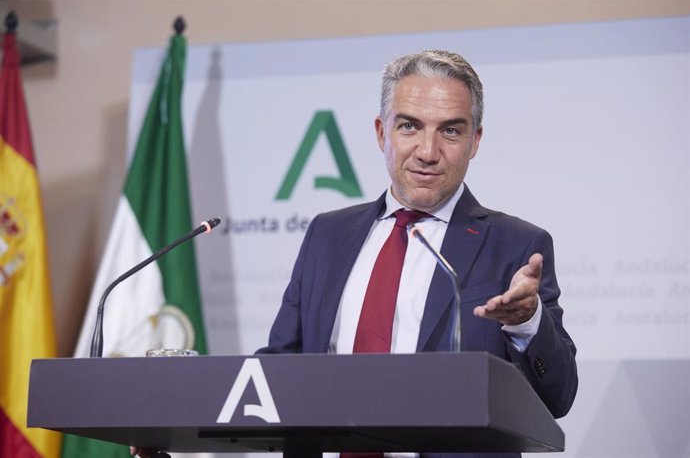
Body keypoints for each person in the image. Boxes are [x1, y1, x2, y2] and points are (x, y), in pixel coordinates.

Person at [133, 50, 577, 458]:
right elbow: (277, 373)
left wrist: (527, 323)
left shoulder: (515, 245)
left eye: (451, 131)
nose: (427, 151)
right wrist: (175, 411)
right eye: (409, 126)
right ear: (382, 132)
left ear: (475, 141)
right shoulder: (329, 235)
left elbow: (558, 396)